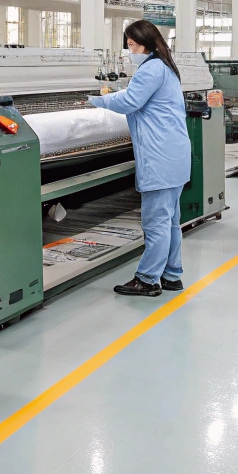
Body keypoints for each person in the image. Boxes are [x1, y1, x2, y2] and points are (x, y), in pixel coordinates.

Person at [89, 19, 191, 298]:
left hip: (160, 158)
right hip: (175, 157)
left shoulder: (152, 69)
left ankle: (147, 279)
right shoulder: (165, 68)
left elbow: (129, 101)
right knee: (169, 221)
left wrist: (96, 101)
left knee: (155, 223)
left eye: (131, 45)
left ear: (143, 44)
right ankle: (171, 275)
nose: (129, 50)